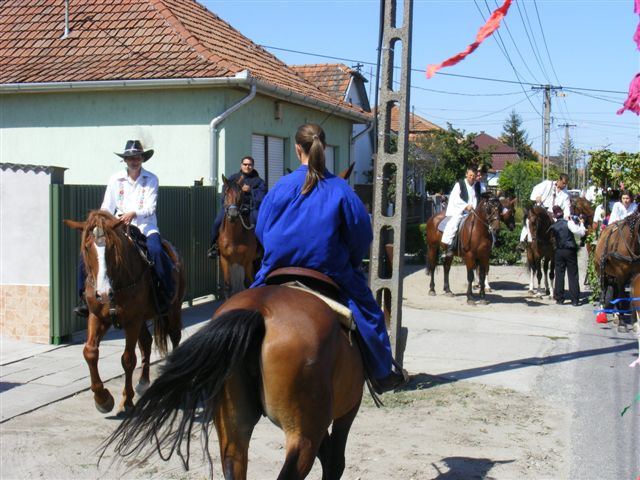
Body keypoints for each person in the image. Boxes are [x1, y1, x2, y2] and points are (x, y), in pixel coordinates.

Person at [251, 123, 407, 394]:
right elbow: (361, 238)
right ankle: (383, 373)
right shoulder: (342, 191)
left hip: (276, 270)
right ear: (323, 146)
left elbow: (262, 232)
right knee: (370, 314)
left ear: (297, 148)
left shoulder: (279, 188)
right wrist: (349, 260)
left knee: (240, 311)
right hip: (330, 272)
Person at [74, 140, 174, 317]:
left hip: (145, 226)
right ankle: (83, 298)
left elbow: (151, 207)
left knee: (156, 251)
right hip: (117, 227)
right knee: (88, 253)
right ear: (125, 160)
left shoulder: (151, 178)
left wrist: (133, 213)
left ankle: (165, 293)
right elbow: (106, 206)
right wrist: (102, 222)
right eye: (129, 158)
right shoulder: (115, 179)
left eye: (136, 157)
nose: (133, 161)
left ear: (142, 158)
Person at [207, 155, 267, 258]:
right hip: (232, 208)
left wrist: (250, 191)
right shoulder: (232, 178)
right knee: (217, 222)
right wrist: (227, 206)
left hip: (250, 209)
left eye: (249, 165)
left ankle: (262, 248)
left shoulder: (259, 181)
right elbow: (224, 194)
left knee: (260, 223)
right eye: (245, 164)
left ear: (253, 166)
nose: (247, 167)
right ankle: (213, 247)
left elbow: (262, 196)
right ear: (241, 165)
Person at [517, 173, 571, 252]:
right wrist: (536, 197)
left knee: (559, 226)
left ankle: (556, 244)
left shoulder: (566, 194)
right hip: (541, 209)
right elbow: (535, 189)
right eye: (563, 183)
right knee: (530, 220)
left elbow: (567, 206)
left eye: (566, 184)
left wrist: (567, 216)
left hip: (554, 214)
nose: (564, 185)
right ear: (559, 180)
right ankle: (522, 242)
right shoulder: (547, 184)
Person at [441, 165, 485, 257]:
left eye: (473, 176)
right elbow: (455, 198)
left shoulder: (478, 185)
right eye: (470, 175)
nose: (472, 177)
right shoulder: (459, 184)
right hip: (460, 211)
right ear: (466, 174)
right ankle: (449, 246)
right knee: (454, 223)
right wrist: (465, 206)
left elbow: (481, 197)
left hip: (474, 212)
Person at [549, 205, 585, 306]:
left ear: (555, 216)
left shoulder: (553, 226)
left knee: (559, 274)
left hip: (558, 251)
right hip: (570, 250)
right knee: (573, 274)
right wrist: (581, 224)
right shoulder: (569, 223)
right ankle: (574, 299)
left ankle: (559, 298)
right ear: (562, 213)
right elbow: (580, 233)